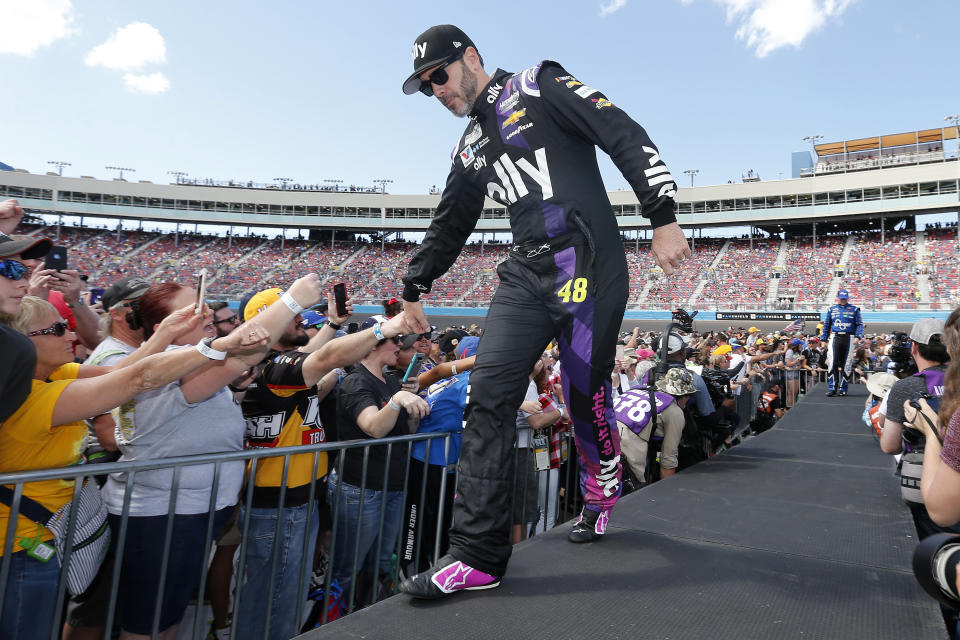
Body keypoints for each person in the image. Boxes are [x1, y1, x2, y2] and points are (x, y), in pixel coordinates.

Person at [397, 24, 690, 599]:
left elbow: (621, 130)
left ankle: (602, 483)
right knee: (487, 395)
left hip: (588, 265)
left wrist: (663, 214)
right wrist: (414, 283)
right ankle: (476, 555)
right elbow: (451, 221)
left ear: (471, 57)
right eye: (426, 85)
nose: (437, 91)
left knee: (584, 395)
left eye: (440, 75)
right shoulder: (468, 145)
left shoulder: (539, 83)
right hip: (524, 275)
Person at [0, 296, 269, 640]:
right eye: (56, 329)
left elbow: (122, 371)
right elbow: (137, 380)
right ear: (20, 343)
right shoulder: (36, 398)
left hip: (48, 530)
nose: (72, 336)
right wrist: (218, 347)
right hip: (24, 543)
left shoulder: (52, 375)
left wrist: (165, 333)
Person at [236, 292, 409, 640]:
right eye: (293, 314)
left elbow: (314, 354)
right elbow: (326, 356)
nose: (301, 318)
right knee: (275, 601)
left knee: (285, 595)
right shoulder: (274, 368)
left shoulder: (276, 364)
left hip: (296, 500)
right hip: (280, 504)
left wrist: (332, 324)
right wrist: (385, 328)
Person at [327, 318, 430, 612]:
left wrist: (411, 402)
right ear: (372, 344)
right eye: (394, 340)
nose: (400, 345)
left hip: (392, 485)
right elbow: (373, 427)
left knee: (382, 561)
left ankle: (369, 614)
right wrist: (397, 401)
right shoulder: (355, 381)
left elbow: (407, 430)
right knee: (349, 565)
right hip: (361, 488)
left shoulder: (393, 380)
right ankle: (335, 620)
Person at [615, 367, 696, 487]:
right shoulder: (674, 411)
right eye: (689, 395)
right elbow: (668, 458)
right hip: (626, 443)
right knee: (634, 490)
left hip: (599, 436)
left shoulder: (637, 389)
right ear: (683, 396)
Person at [820, 289, 863, 396]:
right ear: (838, 297)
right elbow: (826, 325)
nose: (843, 300)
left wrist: (858, 336)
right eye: (841, 298)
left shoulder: (855, 309)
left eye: (845, 298)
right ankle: (832, 387)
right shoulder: (831, 309)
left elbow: (859, 324)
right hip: (835, 337)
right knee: (832, 362)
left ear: (847, 298)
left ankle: (843, 388)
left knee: (847, 364)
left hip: (849, 338)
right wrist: (824, 339)